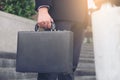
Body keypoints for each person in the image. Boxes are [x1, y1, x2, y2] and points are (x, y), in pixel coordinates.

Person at [35, 0, 88, 80]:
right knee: (50, 67)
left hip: (80, 18)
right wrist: (43, 8)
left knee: (69, 69)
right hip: (58, 13)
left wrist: (85, 19)